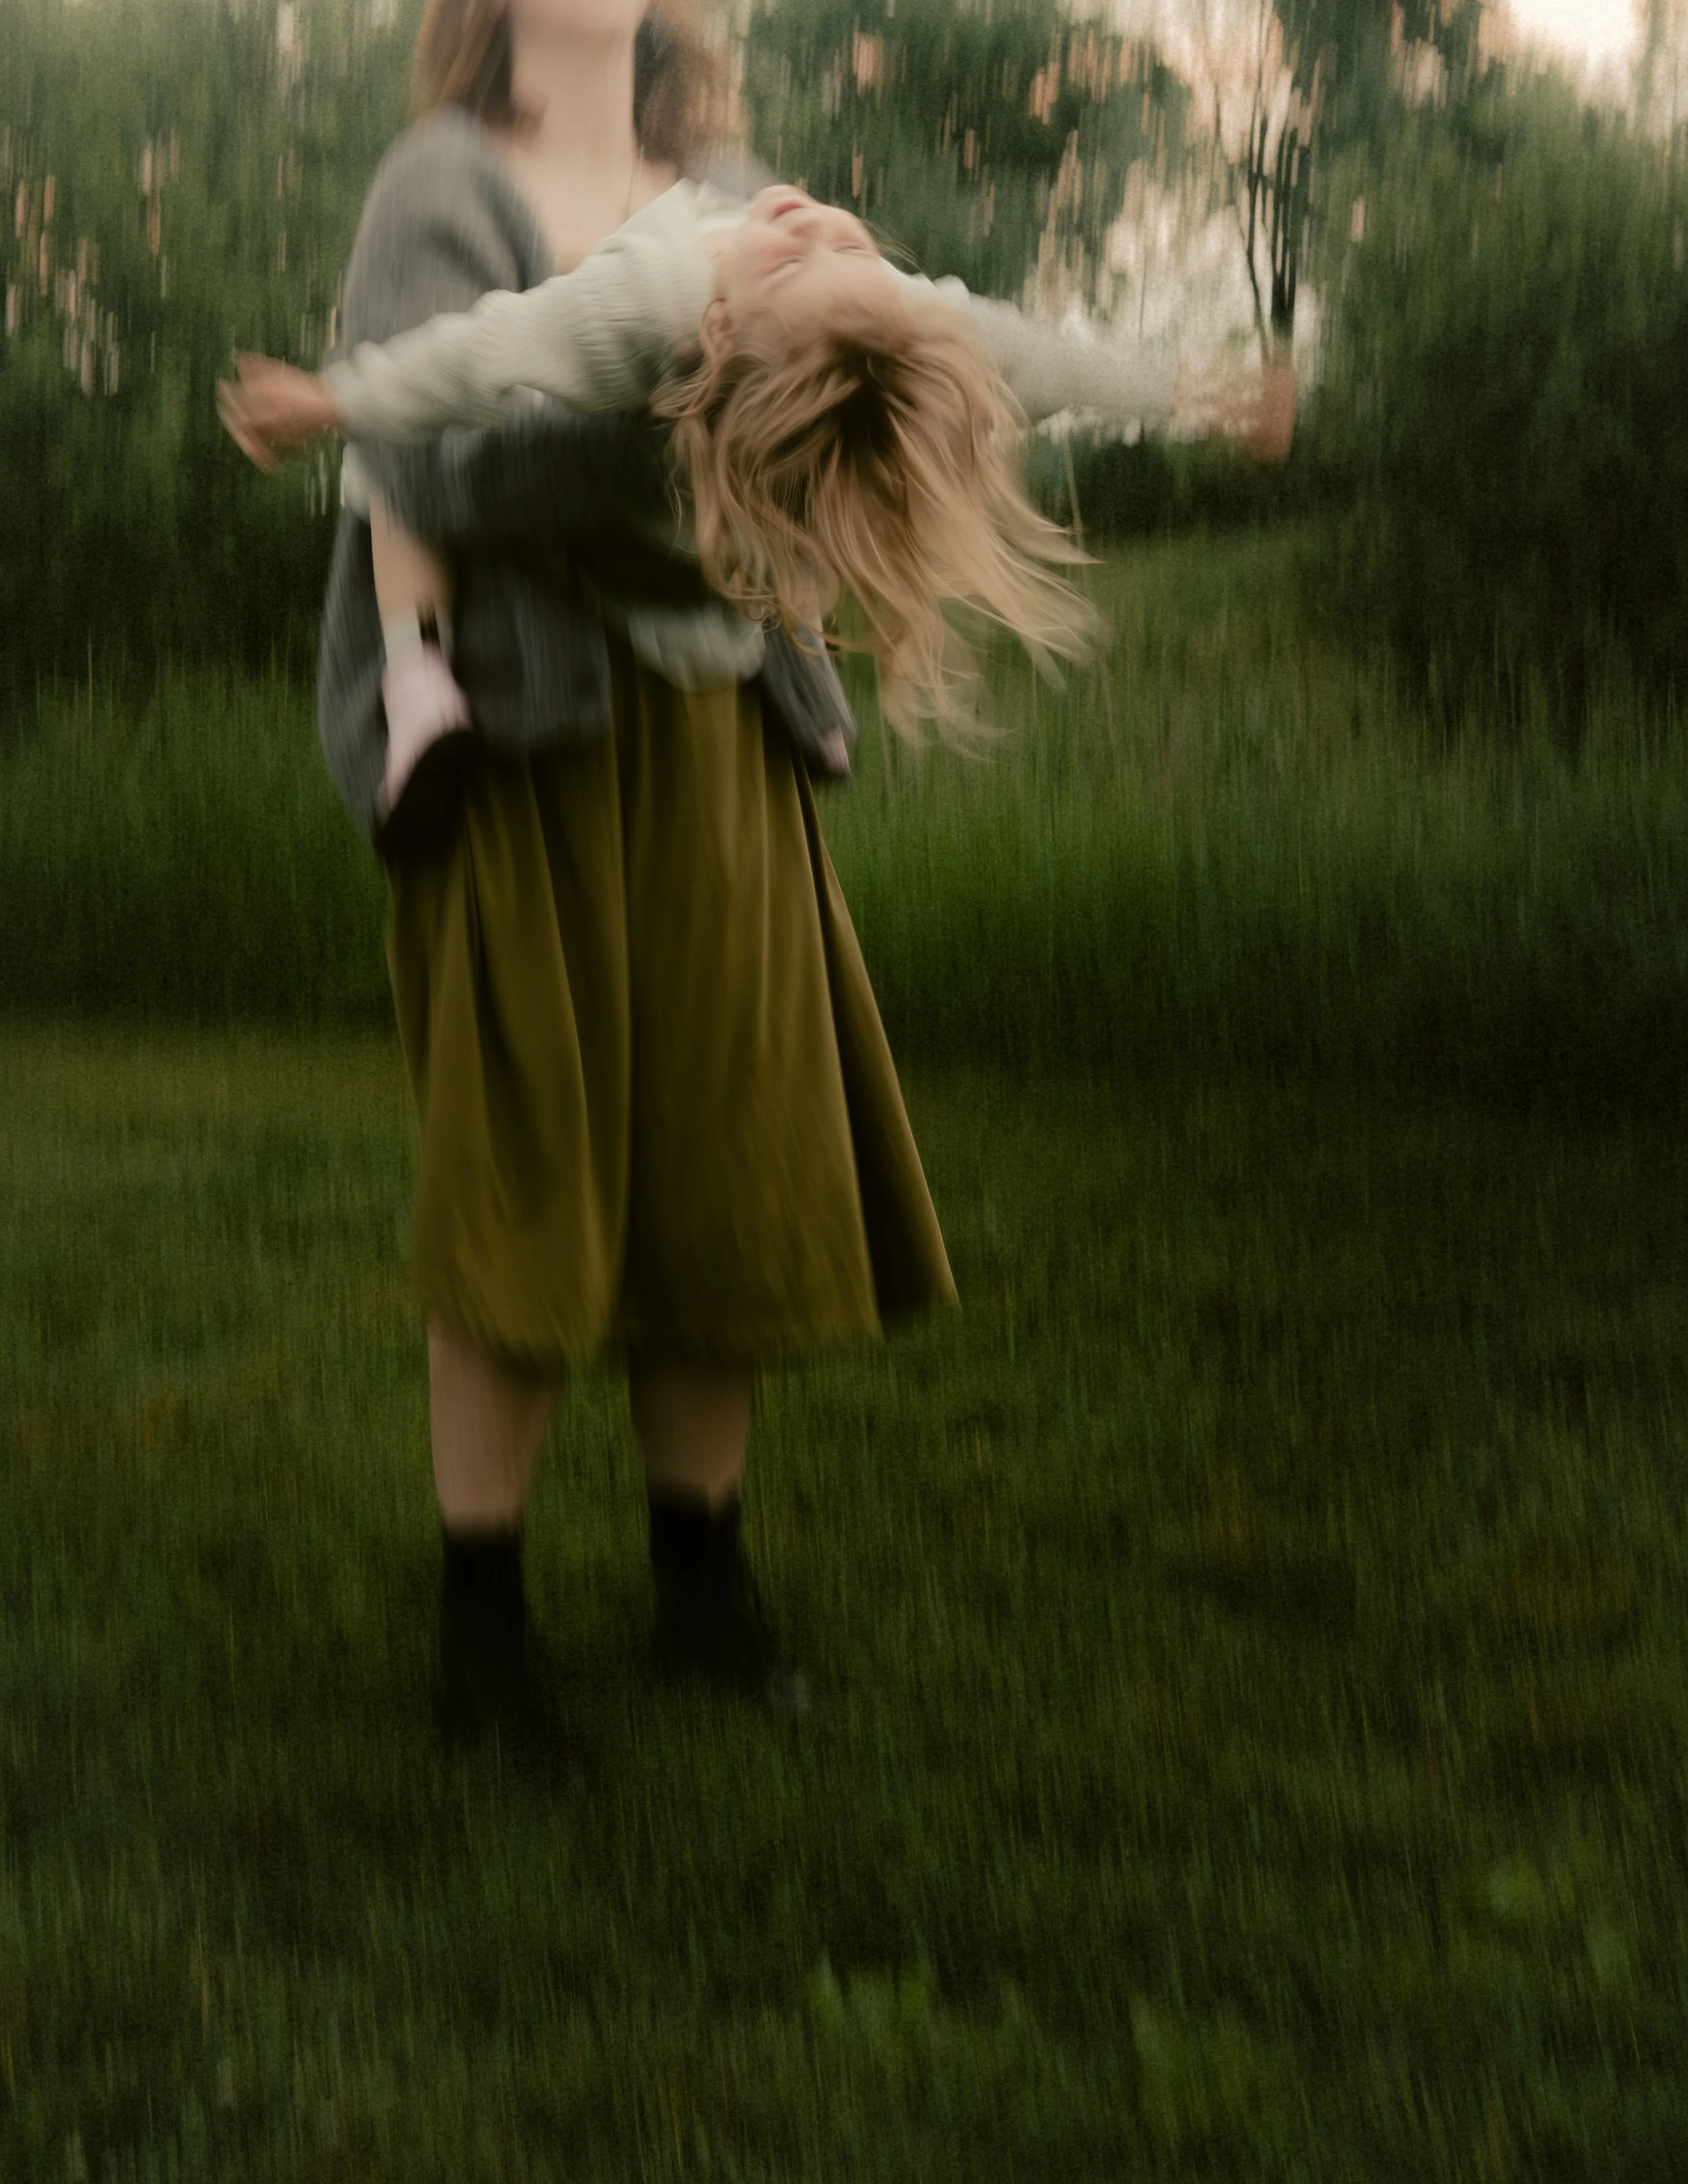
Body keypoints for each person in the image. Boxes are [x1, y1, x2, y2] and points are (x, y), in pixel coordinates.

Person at [263, 0, 1295, 1783]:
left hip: (726, 736)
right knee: (530, 1165)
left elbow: (959, 348)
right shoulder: (437, 189)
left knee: (731, 1161)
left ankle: (701, 1588)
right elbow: (415, 465)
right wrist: (693, 424)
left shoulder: (739, 191)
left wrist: (1195, 397)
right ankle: (482, 1642)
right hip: (523, 743)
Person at [219, 178, 1295, 845]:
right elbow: (480, 360)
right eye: (833, 247)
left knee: (397, 464)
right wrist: (1206, 396)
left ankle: (418, 676)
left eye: (821, 251)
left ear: (726, 327)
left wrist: (336, 400)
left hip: (699, 504)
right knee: (413, 457)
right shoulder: (809, 308)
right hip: (665, 506)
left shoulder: (691, 294)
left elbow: (482, 357)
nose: (818, 223)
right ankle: (792, 682)